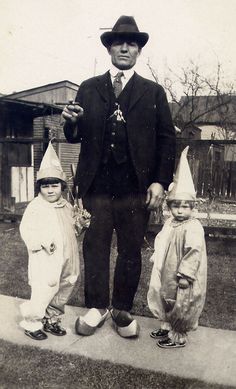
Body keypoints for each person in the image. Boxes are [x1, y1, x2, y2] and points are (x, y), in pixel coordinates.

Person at [62, 15, 176, 338]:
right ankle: (96, 308)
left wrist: (159, 181)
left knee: (130, 249)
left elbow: (167, 139)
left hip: (135, 189)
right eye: (118, 42)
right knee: (94, 247)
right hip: (96, 187)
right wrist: (69, 122)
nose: (125, 48)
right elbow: (74, 134)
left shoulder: (153, 93)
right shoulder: (88, 88)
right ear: (109, 48)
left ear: (138, 51)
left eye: (131, 43)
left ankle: (122, 310)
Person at [19, 142, 82, 340]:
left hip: (67, 256)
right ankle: (32, 321)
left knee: (65, 285)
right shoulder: (36, 207)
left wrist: (82, 222)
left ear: (62, 187)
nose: (50, 190)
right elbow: (26, 230)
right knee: (44, 288)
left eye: (54, 185)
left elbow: (74, 229)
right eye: (45, 186)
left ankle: (52, 318)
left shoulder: (66, 206)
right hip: (45, 258)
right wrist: (42, 242)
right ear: (40, 188)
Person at [147, 146, 207, 348]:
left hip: (181, 273)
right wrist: (157, 257)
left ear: (192, 207)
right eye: (176, 206)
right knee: (163, 294)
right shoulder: (170, 223)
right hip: (166, 268)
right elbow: (162, 240)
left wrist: (186, 275)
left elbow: (194, 251)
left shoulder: (193, 227)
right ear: (169, 206)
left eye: (185, 206)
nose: (180, 210)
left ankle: (178, 334)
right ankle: (166, 325)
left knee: (180, 300)